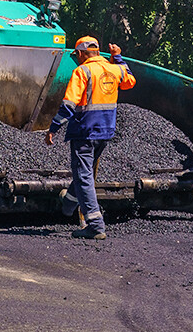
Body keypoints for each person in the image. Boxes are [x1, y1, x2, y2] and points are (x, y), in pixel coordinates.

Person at [45, 36, 136, 240]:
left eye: (76, 55)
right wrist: (117, 56)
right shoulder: (114, 68)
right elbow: (130, 81)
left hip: (84, 131)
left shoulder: (82, 71)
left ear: (81, 53)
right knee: (83, 173)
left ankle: (95, 225)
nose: (76, 58)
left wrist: (53, 128)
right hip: (105, 131)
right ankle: (68, 205)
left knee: (84, 176)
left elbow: (69, 105)